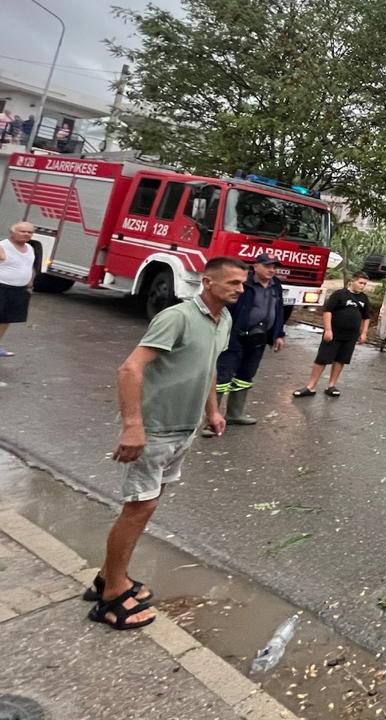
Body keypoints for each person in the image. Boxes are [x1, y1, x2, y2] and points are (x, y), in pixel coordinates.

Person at [87, 257, 245, 630]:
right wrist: (132, 426)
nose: (240, 289)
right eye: (233, 283)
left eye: (242, 283)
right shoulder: (178, 317)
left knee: (149, 503)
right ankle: (110, 597)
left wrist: (213, 411)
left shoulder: (223, 319)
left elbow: (208, 367)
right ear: (207, 281)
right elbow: (130, 368)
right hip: (155, 429)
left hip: (183, 428)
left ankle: (109, 578)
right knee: (138, 508)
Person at [204, 253, 285, 435]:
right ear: (255, 266)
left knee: (244, 377)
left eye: (274, 267)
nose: (272, 270)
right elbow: (224, 308)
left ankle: (234, 414)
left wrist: (278, 334)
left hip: (258, 339)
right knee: (222, 377)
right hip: (235, 337)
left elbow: (278, 310)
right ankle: (211, 421)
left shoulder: (276, 285)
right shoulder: (242, 285)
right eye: (268, 266)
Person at [292, 272, 369, 398]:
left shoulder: (364, 298)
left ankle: (331, 385)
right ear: (352, 281)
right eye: (360, 283)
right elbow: (328, 311)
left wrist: (364, 333)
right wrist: (328, 330)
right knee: (322, 359)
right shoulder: (339, 294)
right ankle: (310, 386)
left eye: (365, 284)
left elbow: (366, 317)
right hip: (334, 334)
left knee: (340, 360)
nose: (362, 286)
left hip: (350, 336)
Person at [0, 222, 37, 357]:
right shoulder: (3, 247)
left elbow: (29, 267)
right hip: (2, 287)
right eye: (23, 231)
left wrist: (30, 285)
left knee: (6, 319)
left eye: (29, 232)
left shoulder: (29, 248)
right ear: (12, 232)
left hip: (19, 290)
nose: (27, 234)